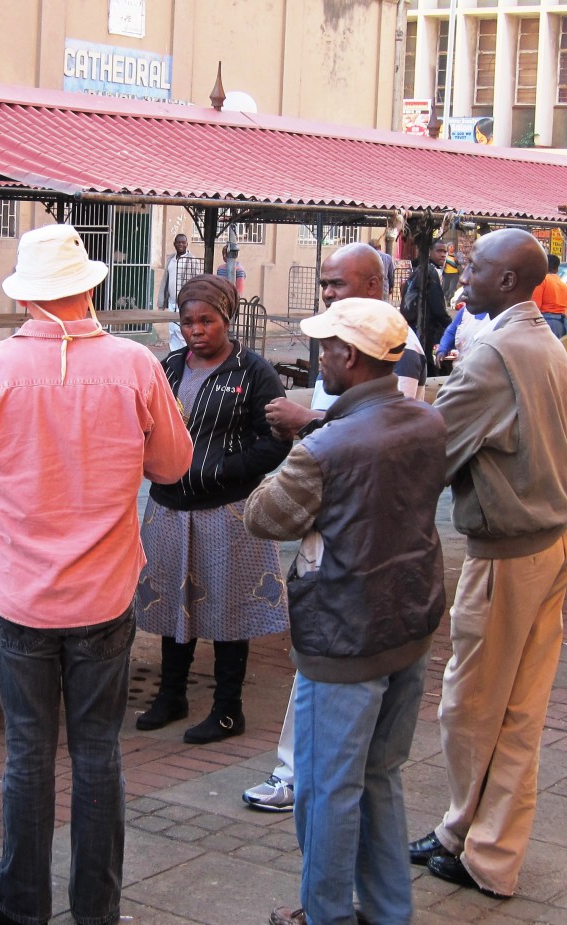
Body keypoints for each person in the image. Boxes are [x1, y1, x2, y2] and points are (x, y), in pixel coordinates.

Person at [0, 224, 193, 925]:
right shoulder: (135, 365)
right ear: (87, 287)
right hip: (105, 591)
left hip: (20, 591)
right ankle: (96, 908)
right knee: (98, 752)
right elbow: (172, 465)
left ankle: (22, 901)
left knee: (27, 751)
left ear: (25, 295)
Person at [245, 297, 447, 925]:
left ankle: (325, 914)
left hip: (343, 633)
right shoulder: (426, 420)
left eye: (325, 348)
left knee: (326, 789)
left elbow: (264, 516)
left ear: (350, 357)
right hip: (407, 621)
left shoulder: (326, 447)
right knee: (381, 775)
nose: (318, 359)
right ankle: (390, 911)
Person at [409, 228, 567, 900]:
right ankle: (473, 839)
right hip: (549, 543)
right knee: (515, 711)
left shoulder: (495, 353)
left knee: (474, 708)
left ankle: (482, 850)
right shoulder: (543, 341)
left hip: (511, 554)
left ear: (508, 282)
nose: (464, 275)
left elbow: (431, 445)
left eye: (476, 268)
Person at [242, 241, 424, 814]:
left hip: (354, 564)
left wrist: (307, 428)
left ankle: (306, 788)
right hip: (353, 557)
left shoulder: (398, 353)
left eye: (337, 285)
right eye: (323, 284)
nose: (327, 293)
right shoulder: (347, 355)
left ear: (373, 286)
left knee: (343, 765)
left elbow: (380, 438)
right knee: (368, 761)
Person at [135, 274, 291, 744]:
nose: (196, 330)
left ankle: (228, 709)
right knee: (172, 602)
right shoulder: (170, 368)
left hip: (227, 512)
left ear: (228, 319)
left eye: (207, 320)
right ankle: (172, 695)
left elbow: (276, 440)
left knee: (227, 609)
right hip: (168, 509)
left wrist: (226, 470)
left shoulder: (253, 371)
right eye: (187, 321)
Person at [402, 239, 451, 375]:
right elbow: (438, 308)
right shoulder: (430, 272)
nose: (443, 255)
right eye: (439, 251)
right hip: (426, 329)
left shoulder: (420, 270)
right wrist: (451, 326)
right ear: (429, 252)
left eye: (445, 252)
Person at [158, 233, 201, 351]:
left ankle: (185, 355)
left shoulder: (192, 261)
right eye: (178, 242)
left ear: (187, 244)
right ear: (174, 244)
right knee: (172, 331)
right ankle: (174, 355)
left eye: (183, 242)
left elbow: (197, 281)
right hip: (172, 302)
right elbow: (165, 281)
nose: (181, 244)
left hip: (185, 303)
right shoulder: (170, 260)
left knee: (182, 331)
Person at [434, 302, 489, 368]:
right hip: (461, 367)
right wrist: (442, 349)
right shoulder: (465, 311)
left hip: (486, 370)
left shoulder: (500, 314)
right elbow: (451, 332)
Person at [531, 253, 567, 338]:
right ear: (557, 269)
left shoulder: (542, 281)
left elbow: (535, 307)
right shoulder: (564, 285)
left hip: (548, 323)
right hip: (564, 324)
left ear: (544, 265)